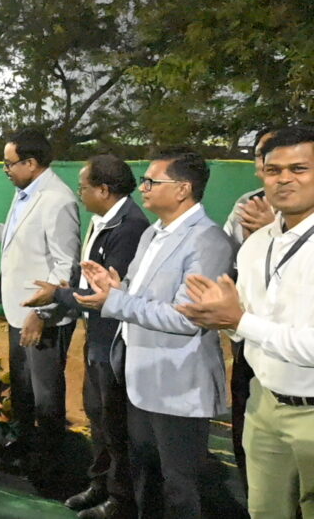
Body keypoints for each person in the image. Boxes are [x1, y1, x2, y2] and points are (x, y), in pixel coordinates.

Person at [75, 149, 235, 518]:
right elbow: (137, 292)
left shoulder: (206, 241)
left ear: (183, 189)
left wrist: (114, 302)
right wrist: (115, 287)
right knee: (146, 477)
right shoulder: (152, 234)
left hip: (177, 387)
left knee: (179, 488)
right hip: (142, 379)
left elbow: (187, 318)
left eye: (151, 181)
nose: (142, 187)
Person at [177, 126, 314, 518]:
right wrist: (220, 317)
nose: (284, 178)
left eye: (299, 168)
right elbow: (248, 324)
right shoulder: (256, 243)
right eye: (273, 170)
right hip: (264, 405)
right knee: (265, 511)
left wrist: (239, 320)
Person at [23, 155, 148, 518]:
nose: (80, 194)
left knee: (115, 423)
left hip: (114, 342)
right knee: (98, 417)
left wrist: (57, 296)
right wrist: (69, 287)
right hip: (96, 340)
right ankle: (100, 485)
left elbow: (106, 298)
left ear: (104, 190)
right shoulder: (104, 220)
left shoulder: (130, 228)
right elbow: (88, 281)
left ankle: (120, 499)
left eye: (84, 188)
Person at [0, 128, 80, 475]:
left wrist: (42, 312)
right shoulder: (26, 192)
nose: (5, 170)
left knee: (46, 395)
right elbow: (12, 234)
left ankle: (52, 463)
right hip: (18, 309)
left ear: (31, 163)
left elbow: (65, 266)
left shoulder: (58, 200)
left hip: (42, 317)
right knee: (23, 387)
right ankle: (21, 445)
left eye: (9, 164)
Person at [221, 128, 276, 493]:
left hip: (299, 350)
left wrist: (276, 230)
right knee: (245, 419)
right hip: (247, 335)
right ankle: (250, 492)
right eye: (263, 155)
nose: (269, 163)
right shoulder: (247, 202)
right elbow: (229, 257)